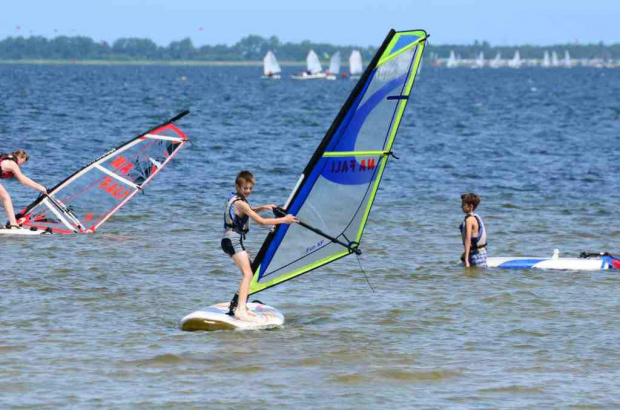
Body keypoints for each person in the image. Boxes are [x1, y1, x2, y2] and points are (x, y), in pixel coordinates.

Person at [222, 170, 298, 322]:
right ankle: (240, 311)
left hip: (230, 240)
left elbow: (248, 211)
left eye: (250, 188)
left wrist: (264, 207)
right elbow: (261, 222)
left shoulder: (237, 199)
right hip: (233, 240)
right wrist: (284, 220)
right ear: (238, 186)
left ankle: (239, 305)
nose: (248, 191)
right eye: (245, 188)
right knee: (248, 274)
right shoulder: (240, 202)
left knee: (251, 269)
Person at [0, 150, 47, 228]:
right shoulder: (12, 164)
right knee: (6, 197)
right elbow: (23, 180)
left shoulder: (7, 159)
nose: (21, 165)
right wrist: (41, 188)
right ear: (20, 158)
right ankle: (13, 224)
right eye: (23, 162)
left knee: (3, 196)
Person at [459, 193, 487, 267]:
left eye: (463, 204)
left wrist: (466, 259)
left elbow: (468, 240)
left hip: (475, 256)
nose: (461, 206)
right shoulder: (476, 217)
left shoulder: (469, 220)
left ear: (471, 206)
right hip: (482, 253)